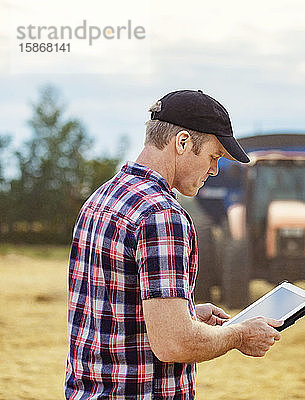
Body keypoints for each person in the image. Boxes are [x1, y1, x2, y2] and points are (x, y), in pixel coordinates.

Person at [65, 90, 282, 399]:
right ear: (182, 143)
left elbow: (114, 310)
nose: (214, 170)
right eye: (213, 156)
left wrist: (186, 313)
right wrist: (238, 335)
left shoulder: (102, 199)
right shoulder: (162, 216)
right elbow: (174, 344)